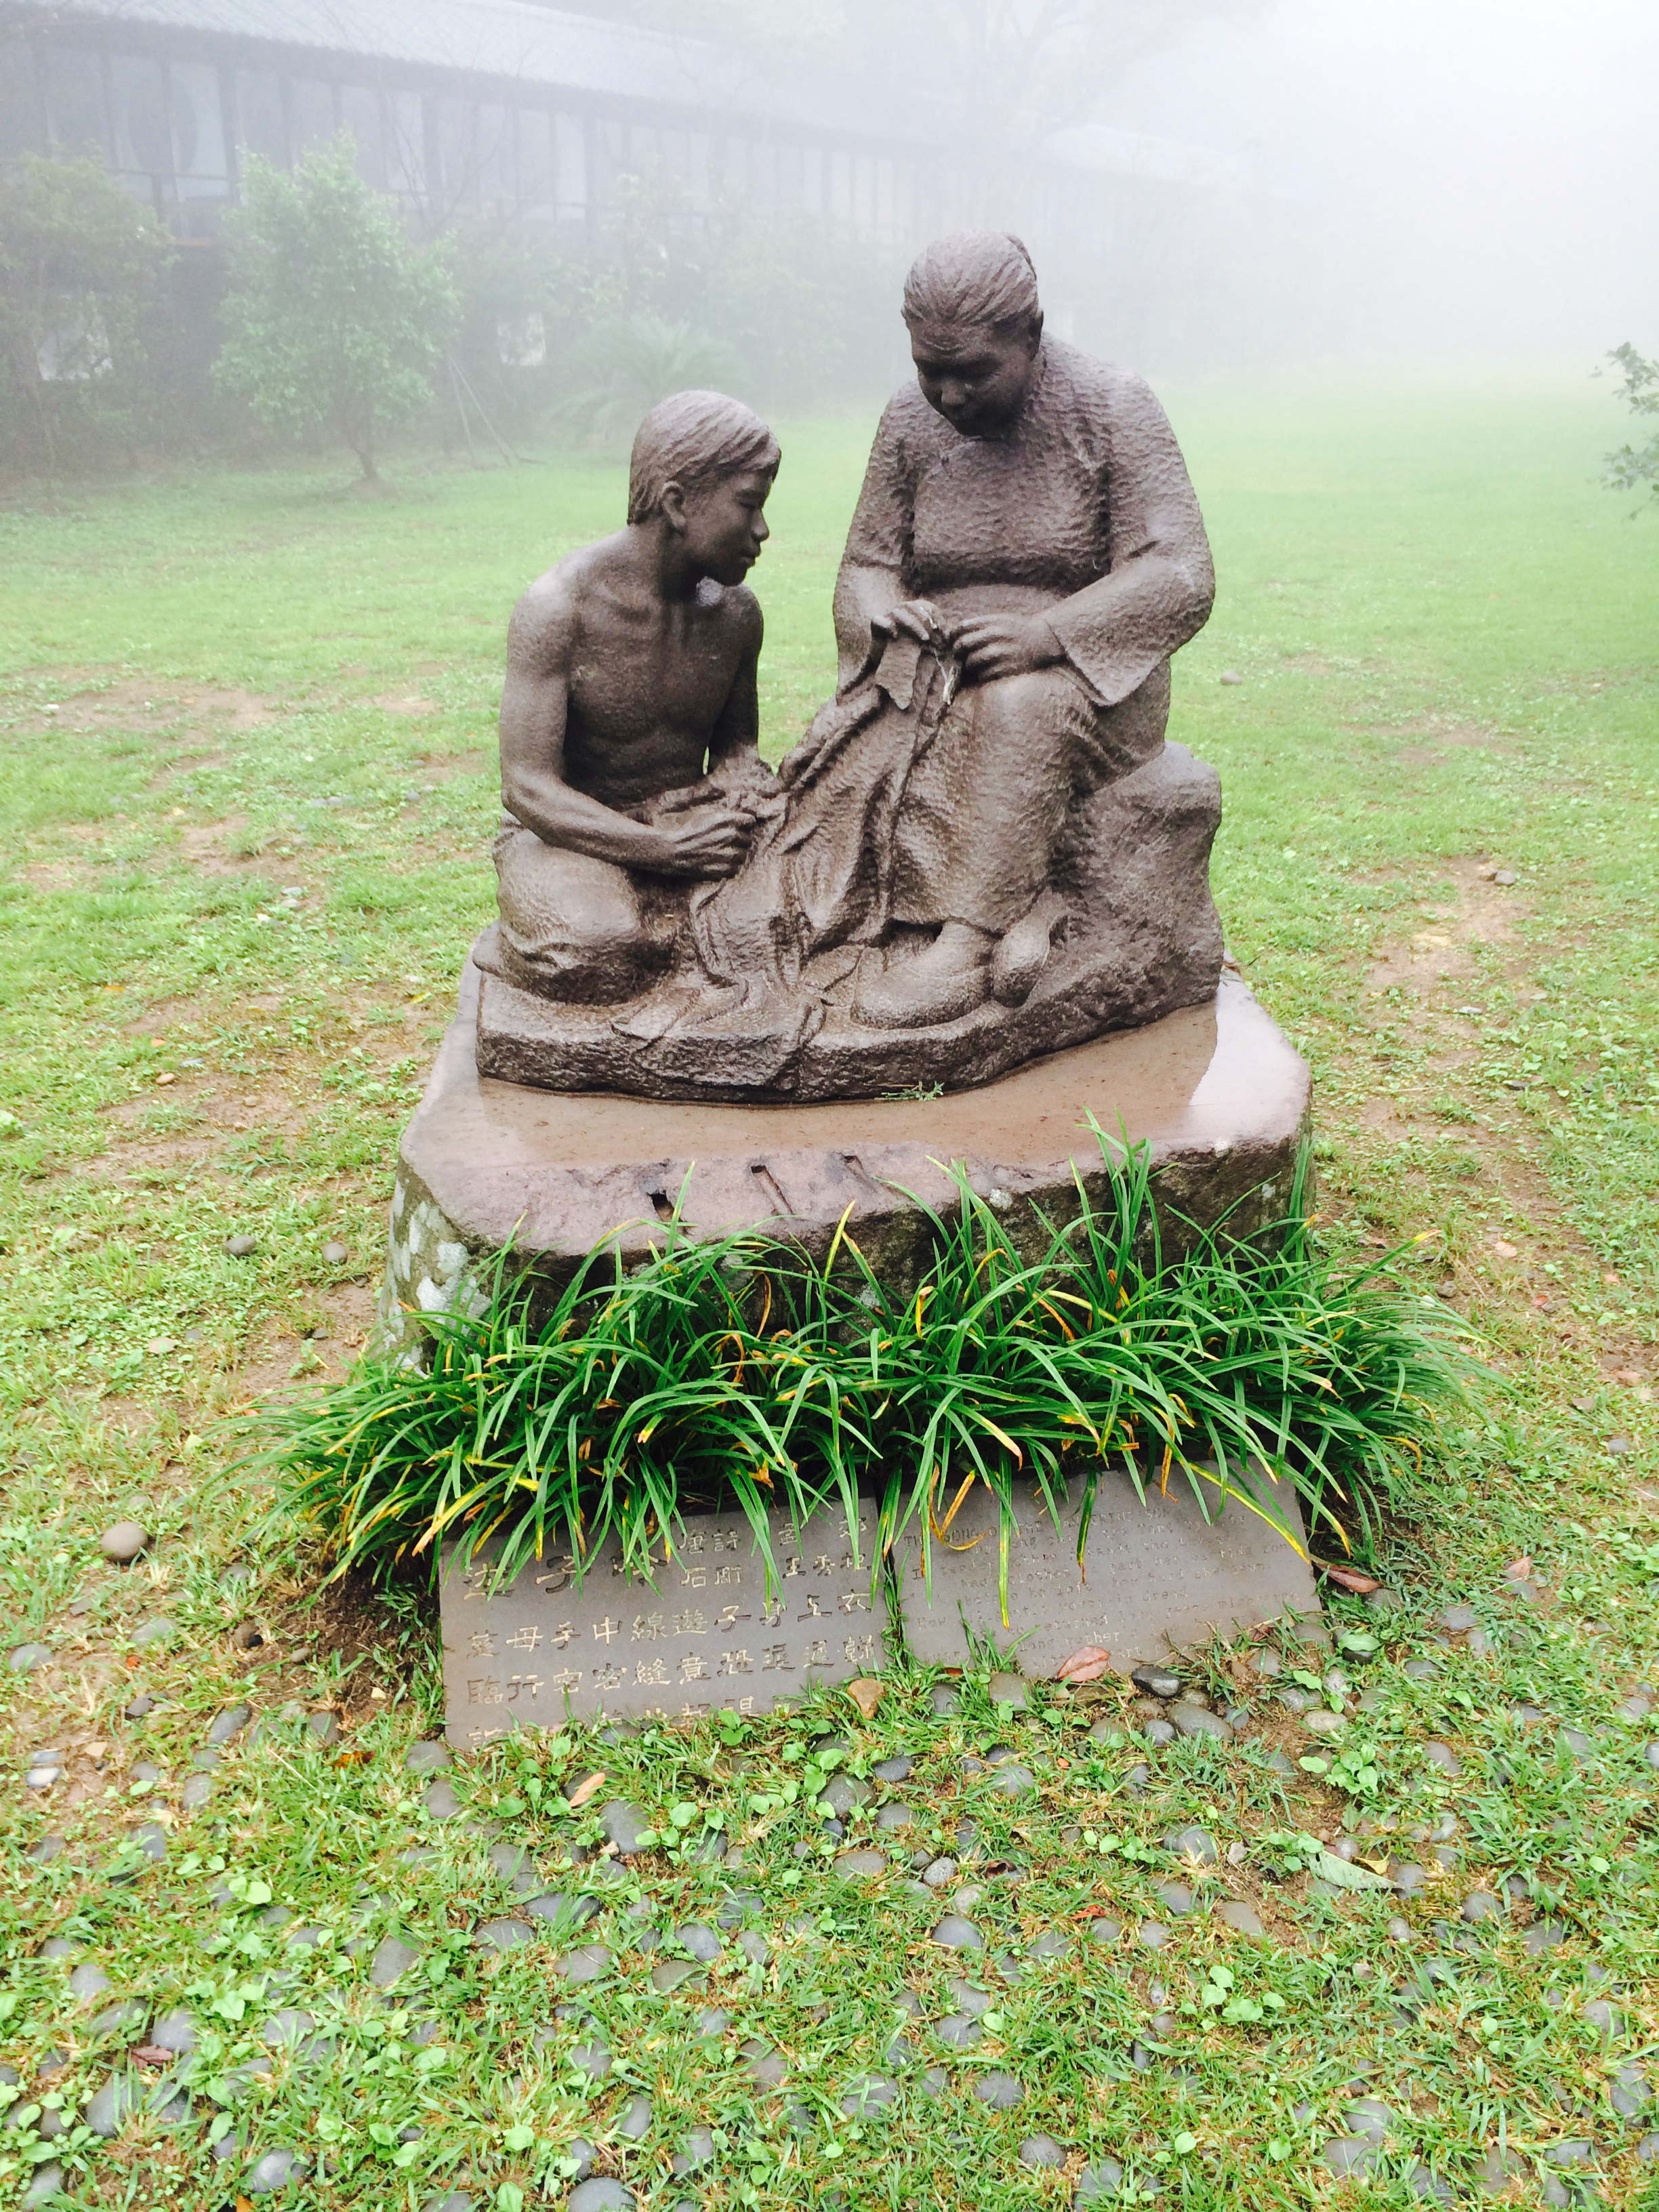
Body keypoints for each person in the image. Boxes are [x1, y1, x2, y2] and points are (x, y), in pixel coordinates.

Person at [831, 230, 1216, 1028]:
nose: (949, 396)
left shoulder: (1112, 407)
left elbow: (1179, 571)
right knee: (853, 730)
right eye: (930, 370)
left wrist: (1047, 636)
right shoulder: (907, 421)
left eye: (974, 372)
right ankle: (997, 910)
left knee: (1019, 709)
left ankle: (968, 940)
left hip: (1088, 689)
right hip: (940, 671)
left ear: (1033, 335)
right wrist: (884, 618)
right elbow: (866, 565)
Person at [487, 390, 781, 1002]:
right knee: (599, 950)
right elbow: (528, 788)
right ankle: (512, 949)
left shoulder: (735, 616)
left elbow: (737, 748)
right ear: (677, 503)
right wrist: (662, 850)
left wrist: (741, 777)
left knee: (786, 934)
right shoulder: (558, 610)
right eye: (748, 505)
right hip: (568, 837)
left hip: (688, 822)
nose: (762, 530)